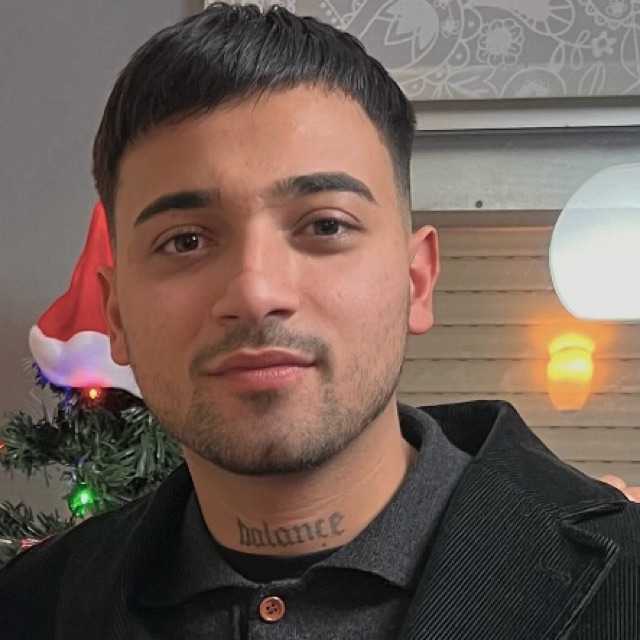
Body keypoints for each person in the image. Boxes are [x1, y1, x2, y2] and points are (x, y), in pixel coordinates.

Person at [1, 4, 639, 638]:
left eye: (326, 225)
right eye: (186, 241)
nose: (255, 293)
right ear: (117, 315)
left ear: (417, 281)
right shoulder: (29, 606)